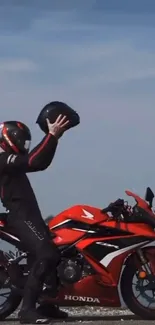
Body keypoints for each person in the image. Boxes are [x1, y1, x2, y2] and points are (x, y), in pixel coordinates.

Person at [0, 115, 69, 324]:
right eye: (22, 141)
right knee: (46, 254)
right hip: (21, 216)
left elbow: (40, 162)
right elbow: (35, 161)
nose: (24, 145)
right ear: (9, 138)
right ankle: (26, 311)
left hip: (31, 216)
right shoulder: (3, 159)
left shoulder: (11, 162)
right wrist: (52, 135)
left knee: (56, 253)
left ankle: (47, 304)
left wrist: (54, 138)